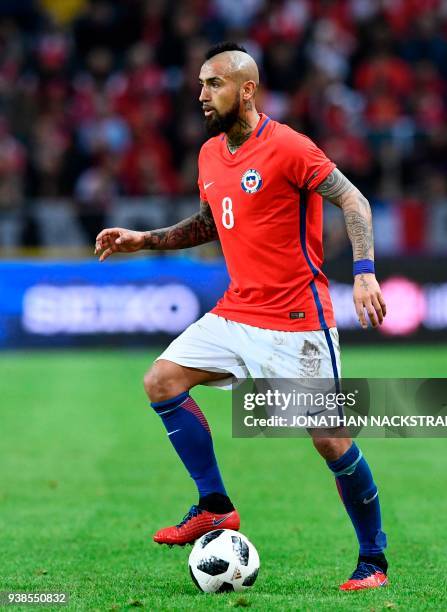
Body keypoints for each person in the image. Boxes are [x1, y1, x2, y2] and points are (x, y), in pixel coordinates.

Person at [95, 42, 388, 591]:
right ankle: (214, 505)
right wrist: (144, 241)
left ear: (246, 89)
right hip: (237, 312)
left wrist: (366, 270)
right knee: (162, 380)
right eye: (202, 85)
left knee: (330, 440)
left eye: (215, 84)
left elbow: (354, 201)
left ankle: (374, 559)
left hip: (299, 321)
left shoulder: (289, 147)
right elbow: (211, 223)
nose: (202, 94)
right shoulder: (209, 155)